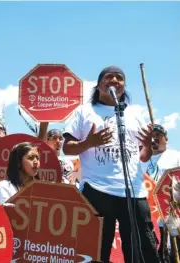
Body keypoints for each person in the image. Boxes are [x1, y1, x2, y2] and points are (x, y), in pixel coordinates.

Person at [62, 66, 159, 263]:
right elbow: (67, 148)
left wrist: (148, 145)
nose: (115, 80)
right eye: (109, 77)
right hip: (97, 190)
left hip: (134, 193)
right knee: (95, 252)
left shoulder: (135, 114)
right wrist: (89, 143)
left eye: (120, 78)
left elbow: (143, 157)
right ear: (98, 85)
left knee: (143, 252)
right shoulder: (84, 111)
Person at [141, 124, 180, 263]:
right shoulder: (142, 159)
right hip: (148, 214)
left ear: (166, 139)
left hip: (170, 213)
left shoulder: (175, 156)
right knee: (152, 253)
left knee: (172, 252)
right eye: (152, 135)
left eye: (158, 135)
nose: (154, 138)